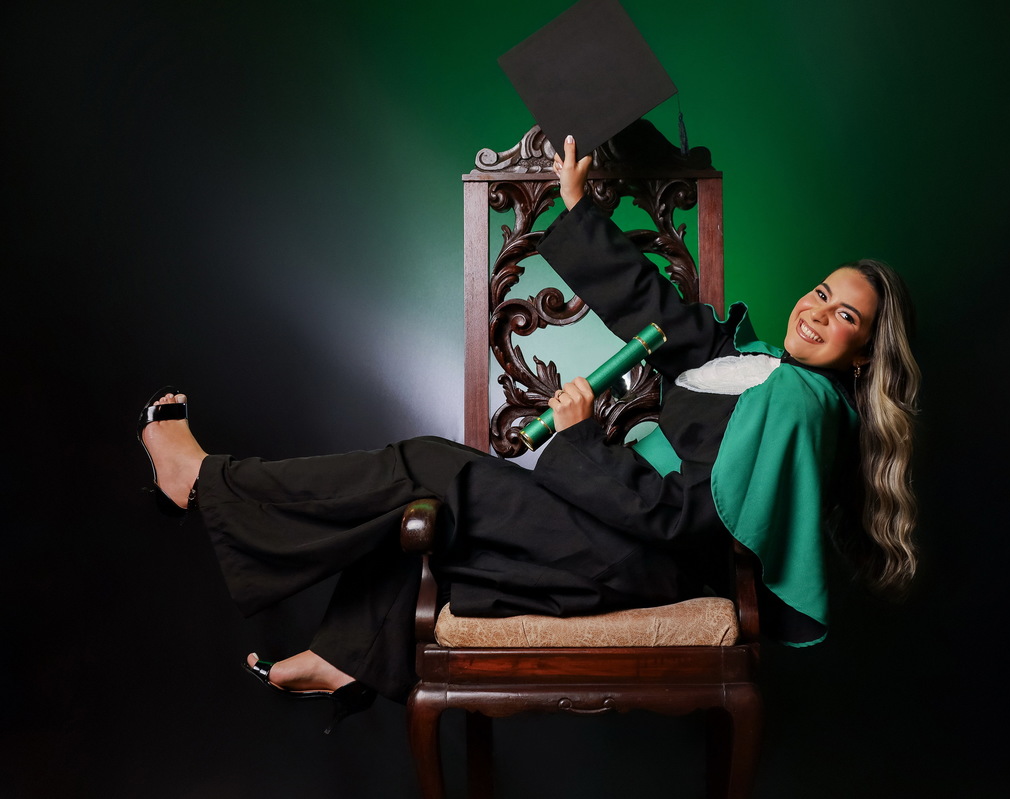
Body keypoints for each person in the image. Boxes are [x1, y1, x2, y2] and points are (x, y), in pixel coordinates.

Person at [138, 136, 921, 732]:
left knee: (431, 466)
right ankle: (342, 660)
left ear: (862, 353)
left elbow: (685, 520)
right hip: (607, 529)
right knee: (431, 515)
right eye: (822, 292)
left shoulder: (800, 402)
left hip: (637, 554)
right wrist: (579, 211)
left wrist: (580, 437)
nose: (818, 311)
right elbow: (659, 312)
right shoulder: (756, 362)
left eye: (845, 315)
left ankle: (204, 482)